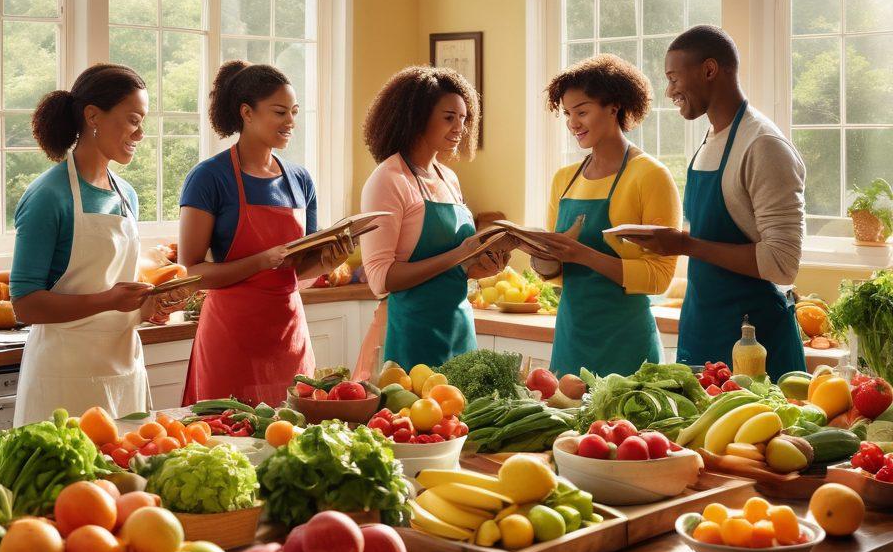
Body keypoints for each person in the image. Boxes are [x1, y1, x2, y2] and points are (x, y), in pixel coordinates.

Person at [12, 64, 187, 425]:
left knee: (125, 476)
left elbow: (115, 285)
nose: (140, 133)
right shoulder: (48, 195)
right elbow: (25, 304)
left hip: (123, 367)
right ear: (93, 115)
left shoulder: (126, 195)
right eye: (133, 120)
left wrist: (151, 304)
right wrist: (110, 300)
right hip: (64, 376)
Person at [634, 25, 806, 379]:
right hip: (702, 330)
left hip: (754, 344)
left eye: (673, 78)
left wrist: (684, 244)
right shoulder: (711, 139)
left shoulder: (763, 145)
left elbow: (782, 263)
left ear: (709, 70)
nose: (669, 91)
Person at [178, 61, 351, 406]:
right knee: (226, 443)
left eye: (294, 112)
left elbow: (294, 274)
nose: (290, 122)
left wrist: (326, 263)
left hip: (289, 338)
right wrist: (260, 261)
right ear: (247, 113)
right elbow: (191, 273)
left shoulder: (300, 180)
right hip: (231, 338)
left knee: (293, 439)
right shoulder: (209, 178)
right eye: (280, 112)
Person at [533, 54, 681, 377]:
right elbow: (558, 275)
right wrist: (539, 256)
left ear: (614, 107)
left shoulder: (650, 176)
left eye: (582, 111)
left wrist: (583, 255)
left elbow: (660, 277)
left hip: (627, 346)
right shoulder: (563, 179)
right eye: (568, 114)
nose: (573, 123)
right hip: (571, 341)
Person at [357, 66, 511, 374]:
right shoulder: (388, 179)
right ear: (417, 116)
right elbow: (381, 280)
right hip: (408, 332)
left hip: (457, 328)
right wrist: (460, 254)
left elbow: (452, 268)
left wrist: (481, 266)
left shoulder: (448, 177)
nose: (460, 128)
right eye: (449, 117)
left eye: (464, 119)